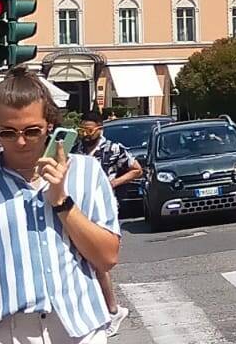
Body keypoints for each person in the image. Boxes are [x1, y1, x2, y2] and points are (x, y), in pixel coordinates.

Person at [0, 67, 121, 344]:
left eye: (32, 130)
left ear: (50, 124)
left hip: (82, 328)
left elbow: (107, 258)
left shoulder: (87, 173)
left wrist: (62, 201)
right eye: (9, 132)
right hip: (8, 332)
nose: (21, 141)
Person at [73, 110, 144, 335]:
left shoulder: (113, 149)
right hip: (81, 208)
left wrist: (112, 183)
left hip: (103, 209)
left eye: (89, 130)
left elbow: (137, 169)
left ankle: (112, 310)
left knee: (98, 259)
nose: (85, 134)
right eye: (82, 129)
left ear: (100, 129)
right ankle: (105, 309)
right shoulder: (78, 150)